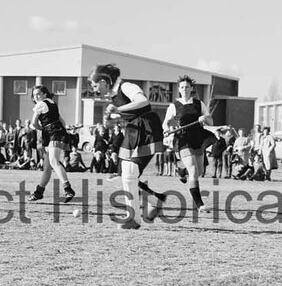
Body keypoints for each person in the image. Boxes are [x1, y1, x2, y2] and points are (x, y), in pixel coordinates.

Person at [88, 64, 167, 229]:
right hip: (134, 129)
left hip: (146, 127)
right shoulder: (114, 94)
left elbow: (143, 101)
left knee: (129, 171)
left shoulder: (126, 86)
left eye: (95, 86)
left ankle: (134, 218)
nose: (94, 90)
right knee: (125, 173)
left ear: (103, 82)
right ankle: (151, 202)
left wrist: (118, 109)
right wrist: (112, 117)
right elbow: (127, 114)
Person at [161, 75, 219, 214]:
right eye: (182, 87)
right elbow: (166, 123)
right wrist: (168, 128)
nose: (184, 89)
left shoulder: (199, 103)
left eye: (187, 87)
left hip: (197, 138)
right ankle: (200, 204)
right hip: (183, 139)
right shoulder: (174, 105)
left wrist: (205, 117)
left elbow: (210, 121)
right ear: (179, 89)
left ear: (191, 88)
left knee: (199, 171)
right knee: (193, 170)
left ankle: (182, 171)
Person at [27, 84, 76, 203]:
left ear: (45, 94)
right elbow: (61, 120)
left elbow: (34, 123)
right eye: (34, 95)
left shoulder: (41, 104)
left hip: (53, 133)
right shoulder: (52, 103)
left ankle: (68, 189)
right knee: (48, 167)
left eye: (38, 94)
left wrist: (42, 129)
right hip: (56, 133)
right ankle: (39, 192)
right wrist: (64, 131)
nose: (36, 96)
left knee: (53, 161)